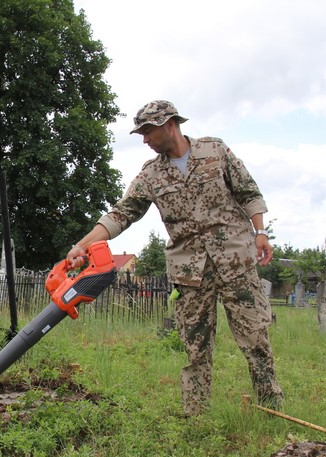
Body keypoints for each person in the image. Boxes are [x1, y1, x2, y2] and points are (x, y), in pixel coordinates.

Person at [66, 100, 284, 416]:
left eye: (148, 131)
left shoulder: (215, 151)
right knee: (196, 347)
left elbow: (249, 192)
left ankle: (271, 406)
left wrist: (260, 232)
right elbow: (122, 213)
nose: (144, 139)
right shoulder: (151, 174)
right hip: (190, 271)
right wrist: (81, 246)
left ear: (170, 125)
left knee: (255, 339)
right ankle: (196, 416)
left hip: (236, 261)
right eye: (140, 133)